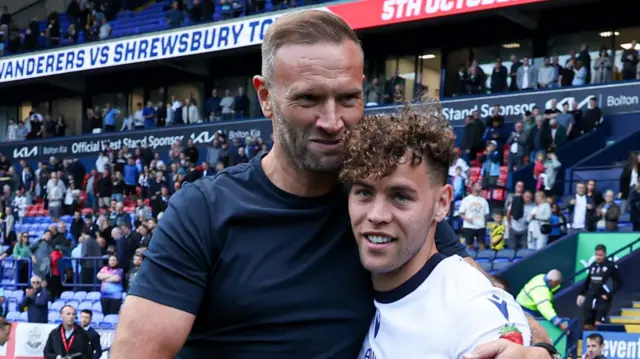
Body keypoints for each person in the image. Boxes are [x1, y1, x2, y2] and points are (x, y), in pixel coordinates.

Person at [112, 10, 554, 359]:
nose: (332, 121)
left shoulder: (381, 207)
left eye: (348, 98)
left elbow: (478, 294)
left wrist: (540, 349)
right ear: (265, 96)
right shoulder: (204, 211)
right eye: (308, 98)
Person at [341, 103, 531, 358]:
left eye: (400, 197)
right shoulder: (349, 283)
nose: (376, 215)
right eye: (364, 192)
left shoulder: (471, 310)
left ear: (442, 203)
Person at [577, 244, 623, 330]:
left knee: (598, 323)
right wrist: (581, 294)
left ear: (605, 254)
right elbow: (588, 281)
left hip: (603, 299)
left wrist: (609, 294)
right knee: (587, 324)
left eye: (600, 255)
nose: (598, 257)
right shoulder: (593, 266)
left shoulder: (610, 266)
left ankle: (598, 341)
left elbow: (619, 282)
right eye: (596, 255)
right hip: (591, 297)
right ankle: (590, 341)